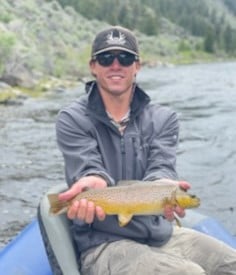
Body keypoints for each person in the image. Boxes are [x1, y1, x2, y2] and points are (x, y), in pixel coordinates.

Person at [40, 26, 236, 275]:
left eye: (125, 58)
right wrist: (93, 180)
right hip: (103, 244)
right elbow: (88, 166)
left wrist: (163, 184)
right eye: (105, 58)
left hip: (160, 235)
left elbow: (161, 166)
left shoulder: (164, 118)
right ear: (93, 66)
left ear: (137, 66)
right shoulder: (72, 118)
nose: (115, 65)